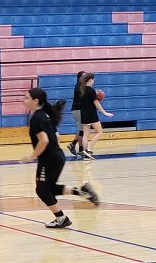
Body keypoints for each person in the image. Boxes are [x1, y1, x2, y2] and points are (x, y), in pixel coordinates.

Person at [21, 87, 100, 229]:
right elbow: (56, 137)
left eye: (26, 98)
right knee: (49, 188)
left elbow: (43, 140)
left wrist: (32, 156)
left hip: (49, 159)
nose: (24, 101)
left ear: (35, 101)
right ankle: (81, 191)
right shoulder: (46, 115)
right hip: (57, 157)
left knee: (42, 190)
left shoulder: (37, 118)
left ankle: (61, 218)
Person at [77, 72, 113, 160]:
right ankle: (89, 149)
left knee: (86, 134)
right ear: (90, 80)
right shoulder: (91, 90)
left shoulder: (81, 89)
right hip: (91, 113)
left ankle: (85, 152)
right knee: (100, 131)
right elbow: (96, 103)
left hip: (83, 113)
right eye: (93, 80)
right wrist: (105, 113)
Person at [66, 70, 86, 158]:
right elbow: (84, 97)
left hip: (79, 110)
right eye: (84, 76)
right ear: (79, 78)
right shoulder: (79, 87)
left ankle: (73, 144)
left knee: (81, 130)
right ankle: (81, 149)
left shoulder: (82, 86)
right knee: (82, 131)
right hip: (77, 110)